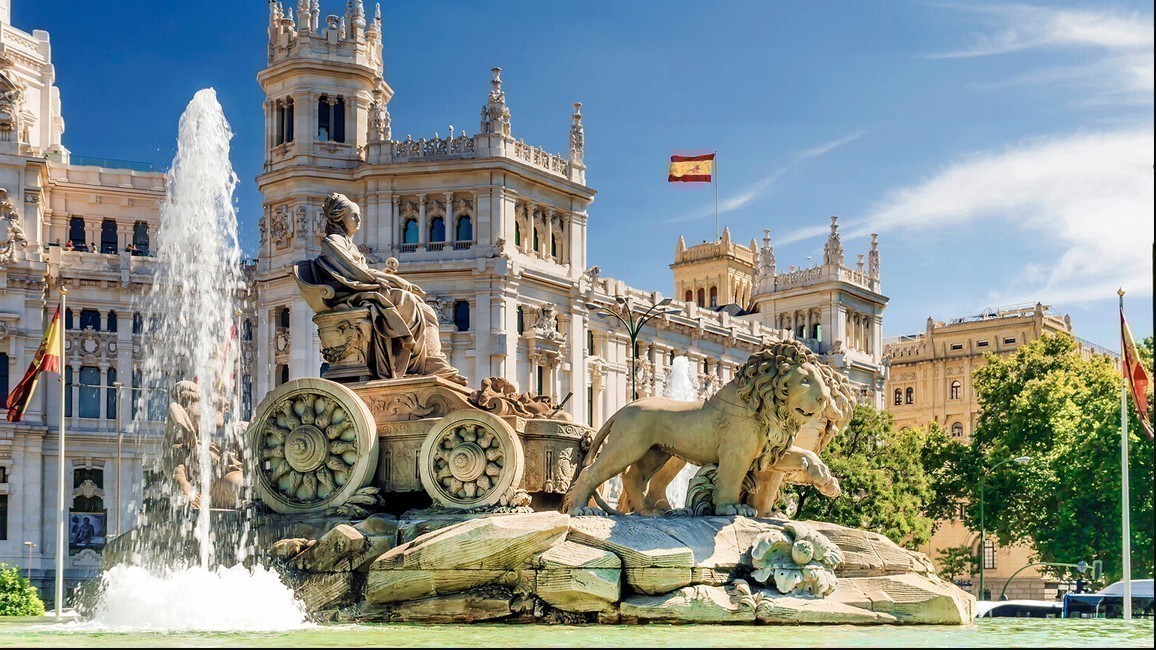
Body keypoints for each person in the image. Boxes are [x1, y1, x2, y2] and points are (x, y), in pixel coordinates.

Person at [314, 193, 465, 384]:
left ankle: (430, 361)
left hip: (363, 290)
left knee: (425, 309)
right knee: (406, 300)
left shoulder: (349, 245)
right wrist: (396, 282)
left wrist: (389, 279)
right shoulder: (332, 242)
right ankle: (412, 355)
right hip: (351, 296)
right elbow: (357, 273)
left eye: (359, 215)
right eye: (353, 215)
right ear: (339, 217)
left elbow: (363, 272)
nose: (358, 220)